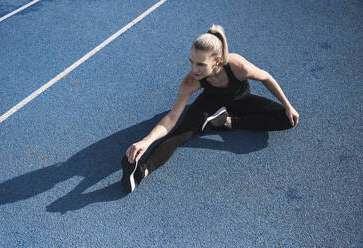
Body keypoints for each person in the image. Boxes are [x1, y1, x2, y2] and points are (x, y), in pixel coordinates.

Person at [121, 24, 299, 193]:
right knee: (181, 133)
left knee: (286, 119)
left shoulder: (238, 67)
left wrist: (288, 105)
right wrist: (146, 141)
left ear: (217, 61)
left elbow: (266, 77)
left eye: (200, 64)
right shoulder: (191, 81)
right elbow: (171, 118)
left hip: (241, 100)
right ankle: (142, 171)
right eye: (191, 62)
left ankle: (226, 122)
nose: (194, 69)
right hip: (210, 102)